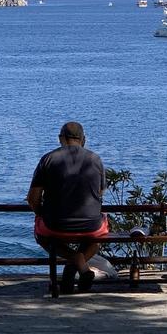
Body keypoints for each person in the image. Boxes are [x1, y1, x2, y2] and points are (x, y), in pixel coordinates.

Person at [27, 120, 107, 293]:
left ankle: (74, 263)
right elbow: (100, 193)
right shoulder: (96, 159)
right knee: (99, 235)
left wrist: (42, 214)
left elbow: (32, 199)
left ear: (60, 138)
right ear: (83, 139)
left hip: (55, 225)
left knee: (42, 236)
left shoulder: (48, 160)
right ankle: (79, 262)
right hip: (91, 226)